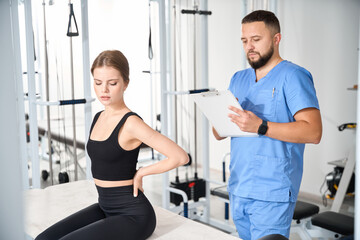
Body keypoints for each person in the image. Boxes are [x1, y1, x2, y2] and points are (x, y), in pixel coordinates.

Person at [35, 50, 189, 240]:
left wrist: (141, 172)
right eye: (98, 83)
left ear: (126, 83)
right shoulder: (98, 117)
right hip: (105, 206)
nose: (104, 90)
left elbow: (180, 156)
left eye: (112, 83)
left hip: (133, 215)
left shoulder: (131, 123)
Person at [212, 10, 322, 240]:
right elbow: (220, 131)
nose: (249, 46)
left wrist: (262, 126)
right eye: (244, 41)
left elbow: (313, 132)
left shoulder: (293, 76)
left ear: (276, 39)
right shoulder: (238, 78)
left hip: (273, 191)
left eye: (256, 39)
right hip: (239, 186)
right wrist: (215, 116)